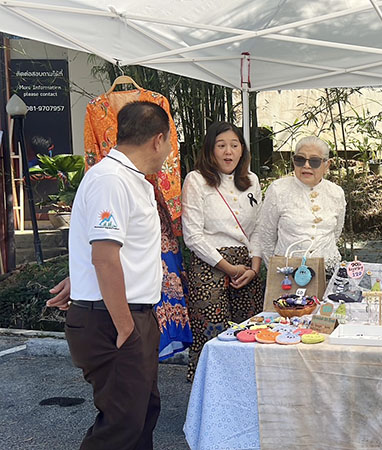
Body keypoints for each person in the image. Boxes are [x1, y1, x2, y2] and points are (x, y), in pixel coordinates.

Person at [55, 101, 173, 450]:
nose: (169, 151)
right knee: (120, 427)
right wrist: (125, 327)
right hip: (113, 319)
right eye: (169, 142)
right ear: (157, 140)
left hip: (128, 313)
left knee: (141, 416)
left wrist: (80, 279)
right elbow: (105, 258)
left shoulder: (132, 180)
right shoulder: (111, 180)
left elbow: (113, 250)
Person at [182, 121, 265, 381]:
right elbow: (193, 236)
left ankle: (246, 391)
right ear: (210, 150)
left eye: (234, 145)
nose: (228, 152)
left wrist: (254, 268)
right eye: (221, 145)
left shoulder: (252, 180)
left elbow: (259, 229)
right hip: (210, 267)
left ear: (242, 150)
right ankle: (210, 395)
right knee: (213, 336)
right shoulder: (196, 180)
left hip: (246, 269)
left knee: (248, 334)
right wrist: (228, 268)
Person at [254, 136, 346, 276]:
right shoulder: (278, 190)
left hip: (328, 272)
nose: (306, 165)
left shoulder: (336, 193)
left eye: (314, 161)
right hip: (288, 274)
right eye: (300, 159)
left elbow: (336, 232)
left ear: (327, 165)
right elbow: (266, 236)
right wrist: (277, 271)